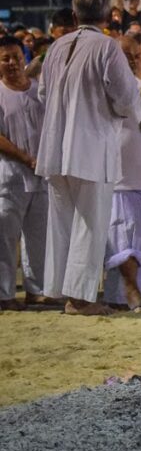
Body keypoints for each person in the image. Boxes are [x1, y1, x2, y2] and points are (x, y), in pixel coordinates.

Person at [35, 0, 139, 316]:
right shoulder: (107, 47)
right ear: (107, 16)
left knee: (62, 222)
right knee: (89, 224)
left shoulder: (56, 47)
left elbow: (41, 95)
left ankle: (62, 292)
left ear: (75, 14)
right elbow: (125, 98)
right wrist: (112, 113)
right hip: (91, 147)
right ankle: (79, 299)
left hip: (55, 147)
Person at [103, 38, 141, 310]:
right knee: (123, 239)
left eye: (133, 55)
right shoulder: (108, 88)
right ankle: (130, 292)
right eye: (125, 55)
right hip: (121, 179)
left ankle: (127, 298)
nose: (131, 60)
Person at [0, 36, 47, 310]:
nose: (12, 63)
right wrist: (26, 158)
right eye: (5, 58)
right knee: (5, 239)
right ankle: (5, 293)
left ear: (24, 58)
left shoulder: (38, 91)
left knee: (37, 238)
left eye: (16, 57)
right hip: (10, 178)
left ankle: (36, 290)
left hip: (40, 178)